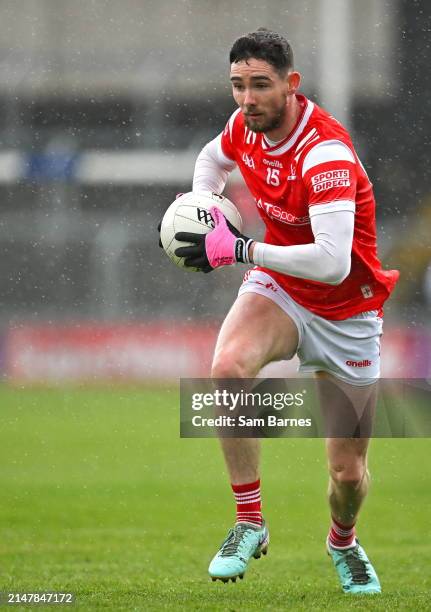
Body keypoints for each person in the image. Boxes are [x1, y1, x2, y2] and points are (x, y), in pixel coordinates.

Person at [171, 28, 399, 594]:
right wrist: (207, 208)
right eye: (238, 86)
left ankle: (342, 541)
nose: (247, 99)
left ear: (292, 85)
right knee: (227, 369)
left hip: (347, 310)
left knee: (347, 474)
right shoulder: (243, 128)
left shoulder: (324, 152)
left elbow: (330, 262)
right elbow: (210, 158)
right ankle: (249, 521)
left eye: (261, 86)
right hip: (281, 288)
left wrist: (241, 247)